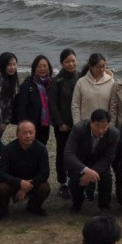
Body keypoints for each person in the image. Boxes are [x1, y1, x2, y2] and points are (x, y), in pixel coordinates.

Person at [64, 110, 121, 212]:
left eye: (104, 126)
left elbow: (109, 157)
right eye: (97, 126)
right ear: (91, 123)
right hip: (81, 161)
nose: (100, 130)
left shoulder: (114, 133)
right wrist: (86, 170)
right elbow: (69, 154)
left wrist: (92, 172)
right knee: (74, 181)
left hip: (100, 162)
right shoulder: (79, 129)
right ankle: (77, 202)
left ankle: (104, 206)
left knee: (106, 178)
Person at [0, 119, 52, 215]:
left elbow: (45, 173)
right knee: (1, 187)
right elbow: (1, 173)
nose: (28, 136)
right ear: (17, 134)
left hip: (32, 183)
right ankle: (3, 210)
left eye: (31, 132)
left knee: (45, 187)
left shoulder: (41, 148)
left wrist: (27, 185)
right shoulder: (9, 149)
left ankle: (34, 207)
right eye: (24, 133)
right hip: (14, 182)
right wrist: (20, 183)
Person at [13, 56, 56, 165]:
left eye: (45, 66)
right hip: (30, 125)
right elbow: (21, 107)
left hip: (44, 124)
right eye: (39, 66)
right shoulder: (27, 85)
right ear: (34, 68)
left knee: (41, 148)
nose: (42, 69)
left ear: (49, 68)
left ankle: (38, 172)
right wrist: (22, 126)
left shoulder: (51, 84)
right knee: (28, 149)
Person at [51, 49, 82, 192]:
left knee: (77, 152)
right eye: (67, 61)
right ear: (62, 63)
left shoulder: (81, 77)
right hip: (62, 125)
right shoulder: (57, 80)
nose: (71, 64)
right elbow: (52, 104)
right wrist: (60, 123)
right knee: (62, 152)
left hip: (78, 123)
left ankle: (74, 178)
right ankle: (62, 182)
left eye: (73, 61)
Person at [74, 52, 118, 128]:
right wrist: (77, 124)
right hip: (86, 124)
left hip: (104, 125)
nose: (101, 69)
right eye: (98, 67)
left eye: (103, 66)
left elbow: (113, 106)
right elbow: (75, 105)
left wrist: (111, 124)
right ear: (91, 66)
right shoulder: (81, 82)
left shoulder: (111, 82)